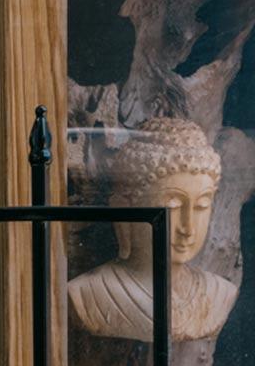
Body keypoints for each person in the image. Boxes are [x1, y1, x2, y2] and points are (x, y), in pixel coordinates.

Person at [67, 114, 238, 344]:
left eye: (201, 206)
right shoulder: (87, 294)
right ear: (124, 208)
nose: (187, 227)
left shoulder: (219, 293)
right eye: (173, 207)